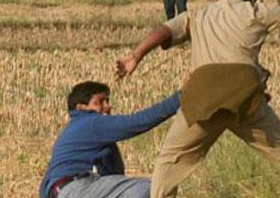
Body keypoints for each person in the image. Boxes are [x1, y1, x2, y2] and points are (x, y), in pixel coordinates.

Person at [116, 0, 280, 198]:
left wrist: (136, 55)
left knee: (167, 162)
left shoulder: (198, 14)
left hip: (202, 98)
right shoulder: (256, 11)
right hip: (244, 98)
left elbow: (163, 30)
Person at [39, 81, 180, 198]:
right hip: (78, 190)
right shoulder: (91, 122)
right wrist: (180, 98)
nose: (108, 107)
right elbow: (137, 122)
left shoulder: (73, 132)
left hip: (64, 192)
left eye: (108, 101)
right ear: (81, 107)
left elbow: (47, 182)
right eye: (100, 101)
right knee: (150, 189)